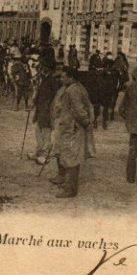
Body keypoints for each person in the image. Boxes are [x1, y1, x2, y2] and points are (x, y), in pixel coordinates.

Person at [49, 66, 91, 198]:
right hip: (68, 127)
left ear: (71, 77)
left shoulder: (73, 91)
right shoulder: (74, 88)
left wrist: (85, 122)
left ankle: (70, 189)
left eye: (63, 76)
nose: (61, 79)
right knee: (68, 156)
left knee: (71, 158)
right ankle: (68, 184)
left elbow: (79, 111)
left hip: (72, 129)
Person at [28, 61, 61, 164]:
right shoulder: (43, 79)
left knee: (46, 134)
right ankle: (38, 152)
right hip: (40, 110)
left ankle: (45, 155)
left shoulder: (53, 81)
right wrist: (34, 102)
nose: (41, 69)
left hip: (47, 111)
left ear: (49, 69)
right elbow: (39, 94)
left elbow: (56, 98)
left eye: (44, 67)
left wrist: (52, 110)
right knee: (38, 132)